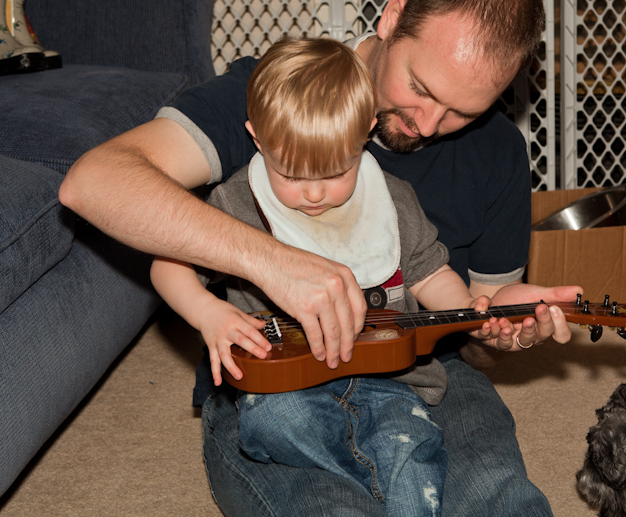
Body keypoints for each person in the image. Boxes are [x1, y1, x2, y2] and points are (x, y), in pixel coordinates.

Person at [60, 0, 582, 516]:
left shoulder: (499, 154)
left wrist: (498, 326)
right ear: (391, 17)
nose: (430, 125)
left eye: (464, 111)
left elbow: (466, 331)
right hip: (277, 374)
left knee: (497, 497)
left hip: (419, 376)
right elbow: (94, 183)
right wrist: (270, 262)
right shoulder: (283, 97)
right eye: (423, 88)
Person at [151, 37, 504, 516]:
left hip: (393, 384)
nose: (315, 193)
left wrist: (465, 310)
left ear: (365, 133)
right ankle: (371, 477)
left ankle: (378, 484)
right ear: (258, 139)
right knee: (273, 420)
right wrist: (208, 312)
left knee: (412, 453)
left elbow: (430, 274)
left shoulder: (394, 199)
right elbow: (167, 263)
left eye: (338, 171)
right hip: (285, 389)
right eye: (292, 174)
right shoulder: (236, 203)